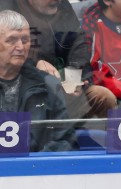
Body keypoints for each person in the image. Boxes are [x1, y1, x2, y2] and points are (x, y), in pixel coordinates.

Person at [0, 0, 116, 119]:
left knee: (103, 97)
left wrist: (73, 76)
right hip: (28, 88)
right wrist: (35, 64)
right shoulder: (6, 7)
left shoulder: (62, 5)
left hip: (64, 86)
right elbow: (7, 56)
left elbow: (78, 43)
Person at [0, 10, 77, 152]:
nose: (20, 47)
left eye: (25, 40)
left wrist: (36, 161)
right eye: (11, 40)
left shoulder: (48, 85)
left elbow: (65, 140)